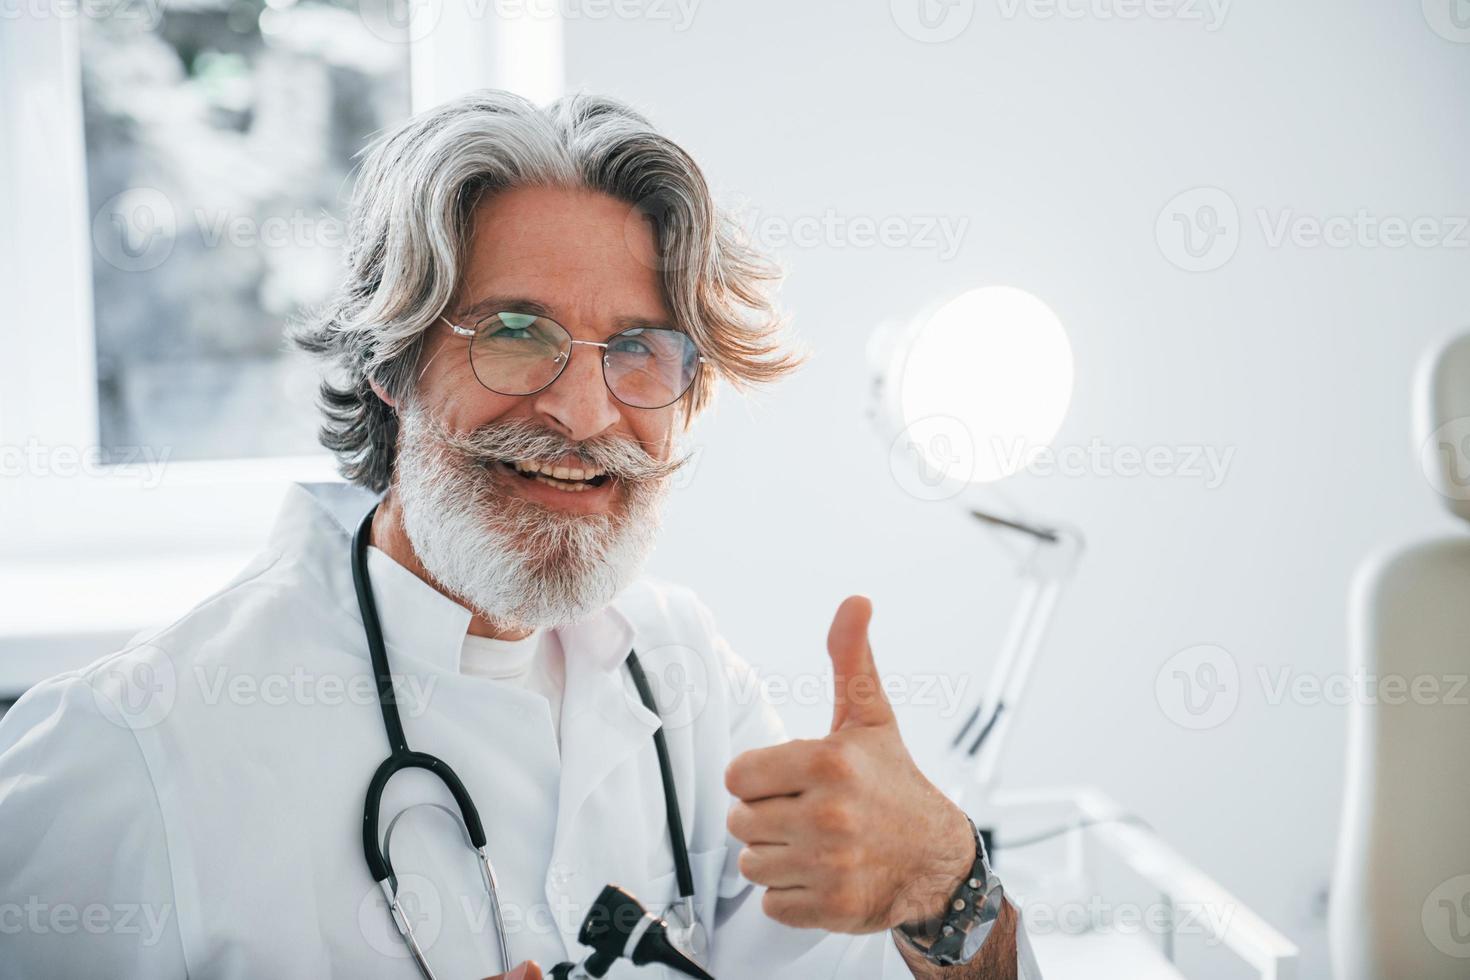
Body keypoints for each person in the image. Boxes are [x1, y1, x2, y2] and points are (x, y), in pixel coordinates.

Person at [0, 90, 1038, 979]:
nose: (585, 415)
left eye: (639, 349)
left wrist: (946, 879)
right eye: (513, 332)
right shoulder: (138, 745)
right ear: (389, 364)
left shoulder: (684, 680)